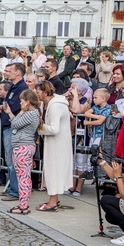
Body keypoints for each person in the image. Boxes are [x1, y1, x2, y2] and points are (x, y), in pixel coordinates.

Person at [36, 81, 73, 211]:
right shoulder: (49, 104)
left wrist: (39, 125)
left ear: (45, 93)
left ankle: (52, 203)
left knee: (54, 171)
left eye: (38, 92)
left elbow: (55, 129)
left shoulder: (56, 106)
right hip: (54, 142)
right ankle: (54, 200)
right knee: (51, 170)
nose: (37, 94)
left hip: (58, 143)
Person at [0, 63, 29, 202]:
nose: (6, 73)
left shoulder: (22, 88)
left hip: (13, 127)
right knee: (9, 160)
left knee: (13, 161)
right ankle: (12, 188)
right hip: (8, 126)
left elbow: (15, 106)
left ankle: (16, 191)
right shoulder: (14, 87)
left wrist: (5, 108)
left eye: (9, 71)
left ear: (17, 73)